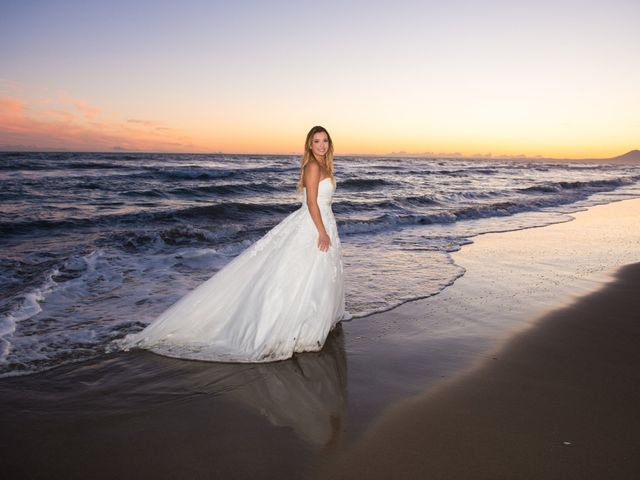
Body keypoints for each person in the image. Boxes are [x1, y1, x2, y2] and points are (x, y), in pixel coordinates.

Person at [109, 126, 347, 362]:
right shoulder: (313, 166)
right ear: (309, 144)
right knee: (298, 277)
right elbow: (313, 203)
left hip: (321, 222)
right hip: (314, 225)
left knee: (311, 277)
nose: (321, 145)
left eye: (325, 141)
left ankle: (310, 323)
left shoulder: (324, 165)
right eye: (316, 141)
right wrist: (322, 232)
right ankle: (290, 328)